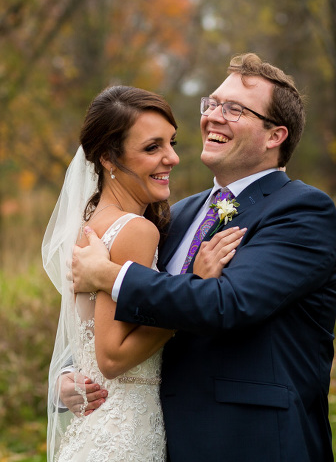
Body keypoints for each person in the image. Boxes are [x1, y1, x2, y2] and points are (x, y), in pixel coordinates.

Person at [69, 53, 336, 462]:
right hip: (164, 439)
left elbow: (230, 303)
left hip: (253, 442)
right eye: (212, 103)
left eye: (234, 109)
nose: (214, 116)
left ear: (274, 136)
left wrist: (110, 275)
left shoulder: (302, 211)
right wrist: (69, 377)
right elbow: (112, 326)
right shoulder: (176, 214)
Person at [43, 85, 244, 461]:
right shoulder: (136, 229)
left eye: (172, 143)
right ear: (107, 158)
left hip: (98, 429)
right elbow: (111, 357)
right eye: (152, 148)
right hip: (124, 433)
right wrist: (194, 288)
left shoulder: (91, 224)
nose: (172, 158)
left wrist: (63, 380)